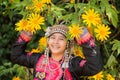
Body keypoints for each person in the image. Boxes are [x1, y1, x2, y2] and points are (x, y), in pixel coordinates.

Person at [11, 25, 103, 80]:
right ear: (48, 41)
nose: (56, 42)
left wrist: (85, 40)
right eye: (53, 38)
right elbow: (16, 56)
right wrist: (25, 36)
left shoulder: (73, 64)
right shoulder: (38, 59)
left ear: (67, 44)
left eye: (61, 39)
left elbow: (94, 67)